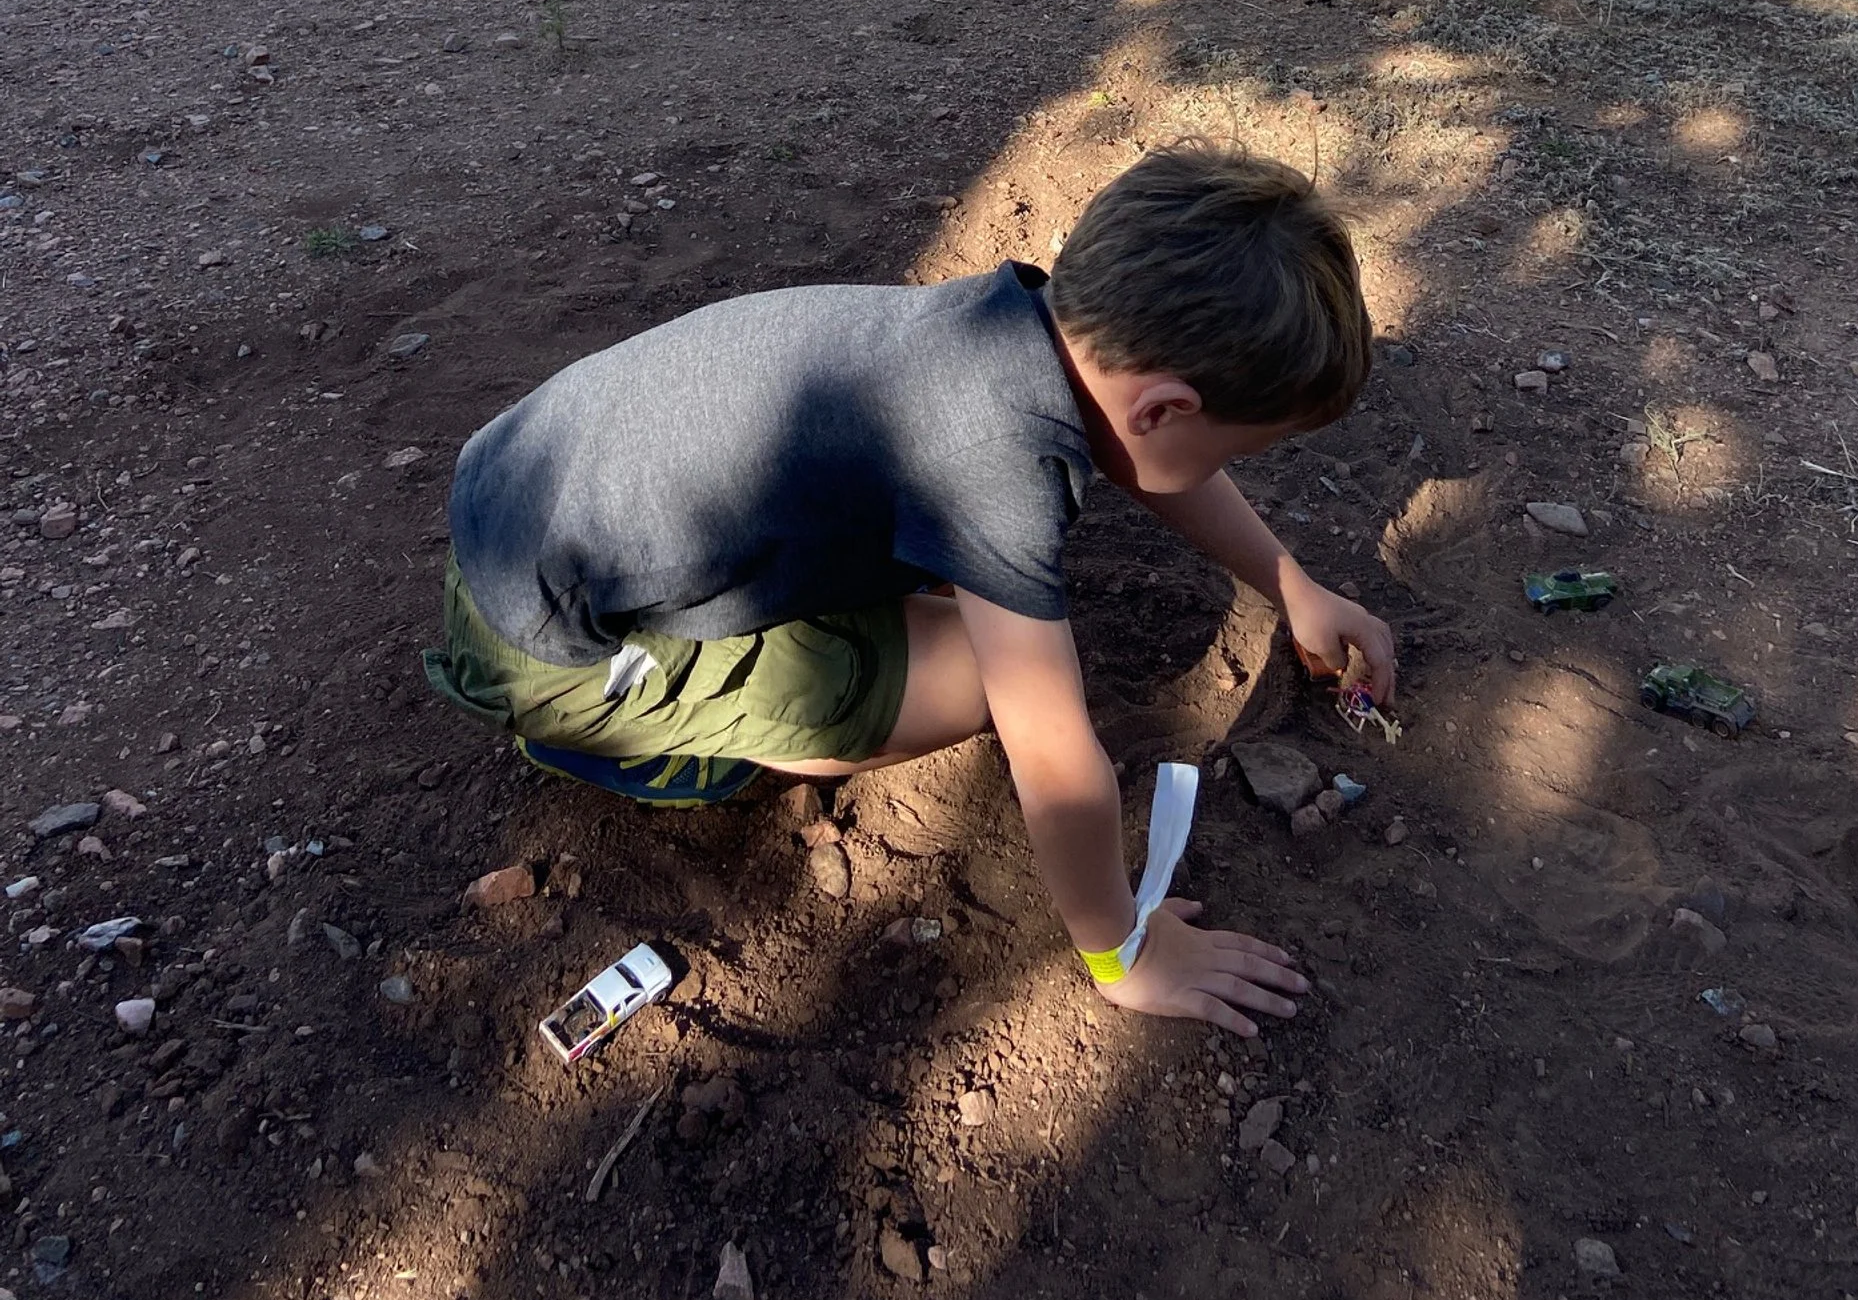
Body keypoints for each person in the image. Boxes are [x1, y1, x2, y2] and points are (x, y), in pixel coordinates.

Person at [426, 143, 1393, 1035]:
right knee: (981, 679)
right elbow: (1054, 759)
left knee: (956, 591)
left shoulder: (1015, 325)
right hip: (543, 645)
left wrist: (1287, 582)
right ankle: (651, 744)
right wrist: (1122, 948)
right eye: (1249, 446)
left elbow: (1149, 455)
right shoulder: (992, 459)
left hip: (521, 486)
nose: (1243, 462)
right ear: (1166, 407)